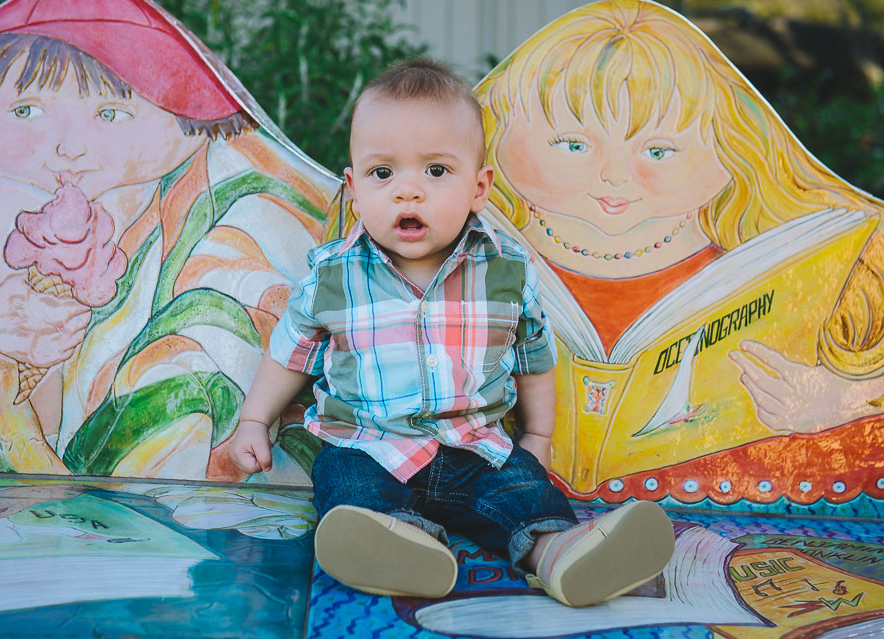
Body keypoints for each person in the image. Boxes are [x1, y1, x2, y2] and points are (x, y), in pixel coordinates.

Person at [228, 59, 675, 604]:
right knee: (349, 491)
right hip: (369, 445)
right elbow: (291, 355)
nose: (407, 193)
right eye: (382, 173)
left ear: (478, 186)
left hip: (478, 448)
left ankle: (561, 555)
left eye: (436, 171)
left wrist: (537, 436)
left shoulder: (506, 270)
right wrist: (255, 419)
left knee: (525, 495)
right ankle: (403, 548)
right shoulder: (333, 276)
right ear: (353, 187)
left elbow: (535, 357)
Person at [477, 0, 884, 504]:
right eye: (573, 145)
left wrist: (842, 398)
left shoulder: (825, 260)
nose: (615, 176)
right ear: (499, 131)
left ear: (729, 146)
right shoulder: (459, 243)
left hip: (723, 511)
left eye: (659, 151)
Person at [0, 0, 337, 481]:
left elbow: (250, 316)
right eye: (26, 109)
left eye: (110, 113)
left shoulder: (220, 203)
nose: (69, 148)